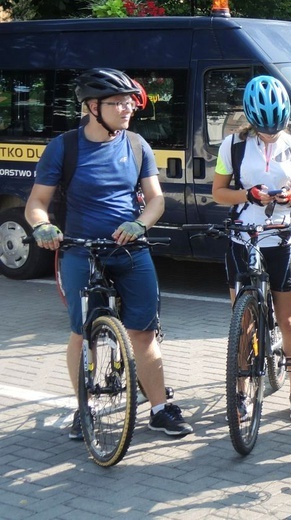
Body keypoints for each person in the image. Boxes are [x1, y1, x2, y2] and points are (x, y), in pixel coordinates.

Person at [25, 68, 193, 438]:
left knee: (144, 333)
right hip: (80, 251)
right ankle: (83, 407)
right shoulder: (64, 147)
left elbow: (156, 200)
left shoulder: (136, 144)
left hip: (130, 251)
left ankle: (160, 408)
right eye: (117, 102)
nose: (127, 108)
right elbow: (37, 202)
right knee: (81, 332)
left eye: (129, 102)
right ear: (91, 107)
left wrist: (140, 224)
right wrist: (42, 226)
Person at [212, 75, 291, 420]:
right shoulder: (232, 146)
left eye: (275, 129)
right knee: (244, 322)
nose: (270, 135)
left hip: (281, 239)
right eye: (263, 129)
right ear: (251, 121)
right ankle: (241, 394)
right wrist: (248, 194)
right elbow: (218, 193)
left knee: (288, 319)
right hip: (242, 238)